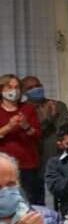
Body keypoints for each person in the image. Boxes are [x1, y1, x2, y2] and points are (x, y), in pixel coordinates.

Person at [21, 75, 68, 190]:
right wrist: (49, 118)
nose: (36, 89)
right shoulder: (23, 110)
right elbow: (33, 133)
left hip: (61, 157)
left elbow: (67, 128)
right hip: (36, 161)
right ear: (23, 92)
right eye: (30, 88)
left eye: (38, 85)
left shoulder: (58, 105)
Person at [0, 74, 43, 204]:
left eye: (17, 87)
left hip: (28, 165)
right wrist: (9, 127)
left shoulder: (28, 109)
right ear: (1, 90)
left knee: (31, 202)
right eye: (9, 87)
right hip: (4, 167)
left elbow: (37, 135)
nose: (14, 90)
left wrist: (26, 126)